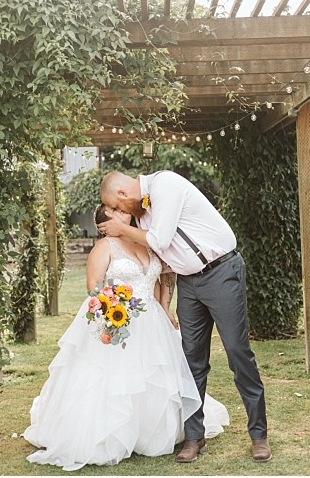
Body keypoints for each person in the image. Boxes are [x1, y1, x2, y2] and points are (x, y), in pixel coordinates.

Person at [24, 204, 229, 471]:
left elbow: (163, 277)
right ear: (103, 224)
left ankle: (153, 430)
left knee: (155, 376)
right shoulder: (105, 246)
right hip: (117, 320)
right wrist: (111, 314)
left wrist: (165, 308)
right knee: (114, 379)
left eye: (122, 211)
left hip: (153, 321)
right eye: (114, 214)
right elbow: (94, 287)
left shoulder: (147, 241)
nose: (122, 215)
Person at [97, 170, 271, 463]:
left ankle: (259, 436)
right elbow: (162, 262)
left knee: (237, 353)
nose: (117, 214)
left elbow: (160, 239)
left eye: (116, 207)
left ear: (123, 194)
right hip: (188, 284)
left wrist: (121, 230)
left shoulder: (165, 184)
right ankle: (194, 437)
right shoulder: (141, 217)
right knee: (190, 360)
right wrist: (165, 303)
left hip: (221, 272)